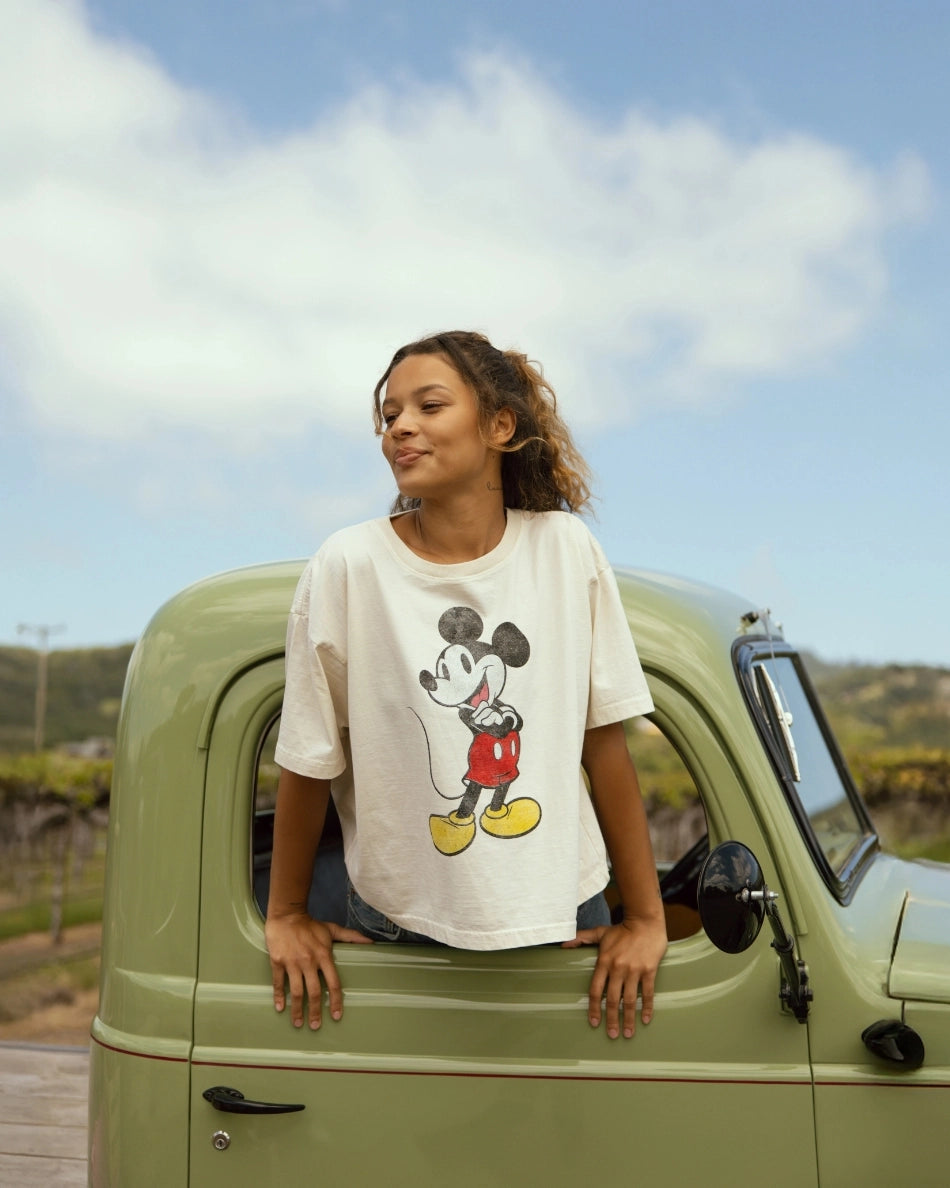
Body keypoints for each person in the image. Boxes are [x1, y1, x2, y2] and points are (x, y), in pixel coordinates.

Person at [265, 330, 667, 1041]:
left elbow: (603, 744)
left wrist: (645, 919)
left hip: (566, 918)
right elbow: (310, 752)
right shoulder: (349, 564)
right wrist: (284, 915)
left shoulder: (564, 549)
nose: (401, 427)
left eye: (429, 405)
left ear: (498, 426)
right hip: (397, 921)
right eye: (390, 416)